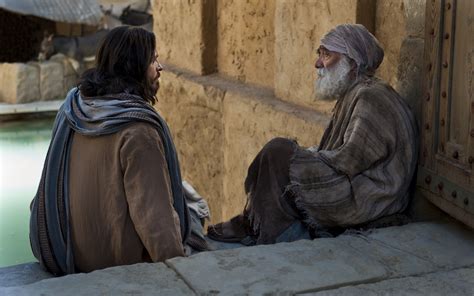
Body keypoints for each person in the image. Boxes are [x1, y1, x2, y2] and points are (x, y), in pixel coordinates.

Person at [207, 24, 418, 245]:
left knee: (279, 152)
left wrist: (304, 157)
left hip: (371, 198)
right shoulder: (357, 92)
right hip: (358, 185)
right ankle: (255, 222)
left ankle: (273, 231)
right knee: (283, 156)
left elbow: (349, 162)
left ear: (352, 64)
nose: (317, 63)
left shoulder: (370, 97)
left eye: (327, 55)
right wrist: (308, 155)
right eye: (320, 54)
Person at [29, 26, 207, 275]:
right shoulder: (138, 131)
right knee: (194, 211)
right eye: (153, 59)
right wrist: (179, 273)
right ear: (133, 66)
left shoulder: (74, 108)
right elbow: (156, 222)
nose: (160, 68)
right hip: (112, 263)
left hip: (65, 251)